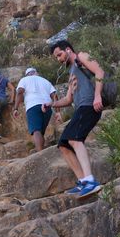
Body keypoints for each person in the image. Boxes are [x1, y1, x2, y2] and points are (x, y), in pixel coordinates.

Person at [44, 40, 105, 198]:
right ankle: (83, 181)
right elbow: (68, 100)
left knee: (74, 139)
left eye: (60, 54)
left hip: (90, 105)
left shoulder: (82, 56)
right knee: (63, 144)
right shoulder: (71, 71)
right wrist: (52, 103)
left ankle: (91, 181)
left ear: (68, 50)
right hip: (81, 108)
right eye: (56, 57)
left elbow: (99, 72)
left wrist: (97, 95)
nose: (59, 59)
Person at [14, 67, 57, 151]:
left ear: (27, 74)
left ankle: (40, 154)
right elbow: (54, 95)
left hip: (33, 106)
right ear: (36, 73)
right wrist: (58, 111)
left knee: (36, 131)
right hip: (47, 106)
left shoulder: (24, 80)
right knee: (41, 132)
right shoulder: (45, 81)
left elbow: (19, 92)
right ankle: (42, 150)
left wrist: (16, 108)